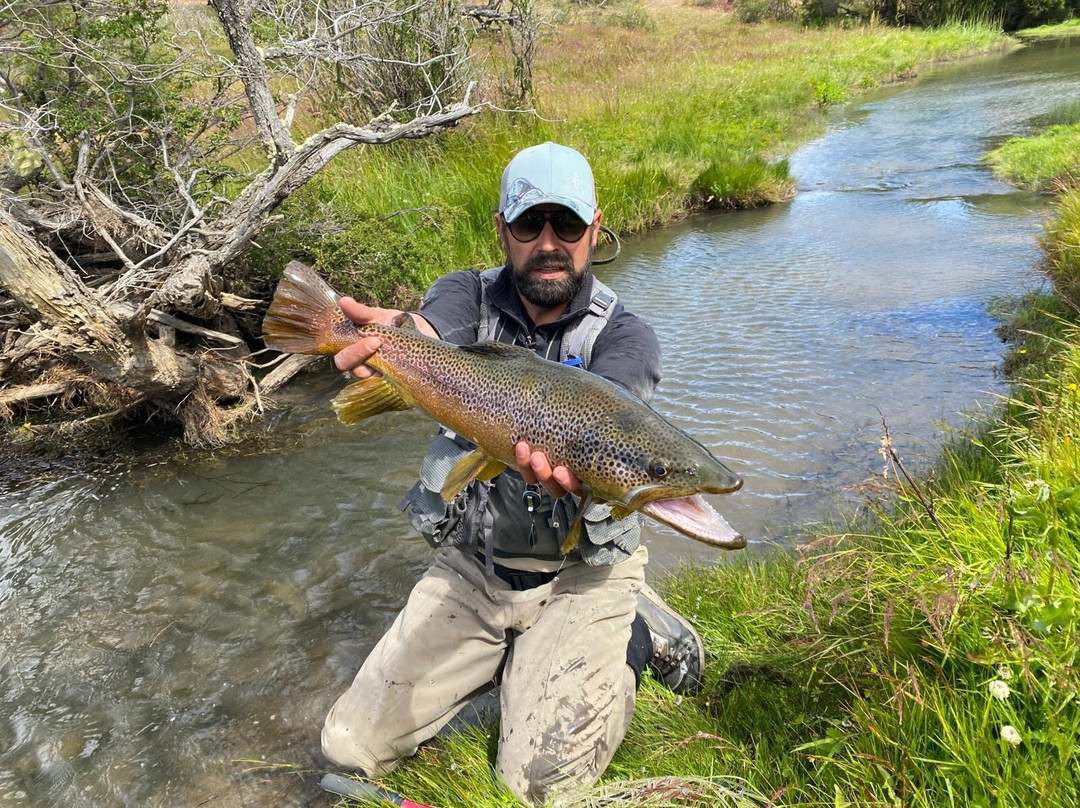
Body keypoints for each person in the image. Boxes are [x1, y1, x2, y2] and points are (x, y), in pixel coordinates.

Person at [321, 142, 705, 806]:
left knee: (533, 787)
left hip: (583, 575)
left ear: (595, 228)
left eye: (567, 225)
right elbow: (430, 327)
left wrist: (575, 452)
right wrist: (396, 343)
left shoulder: (627, 337)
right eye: (530, 225)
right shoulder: (466, 293)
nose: (549, 243)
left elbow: (615, 417)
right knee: (347, 748)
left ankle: (637, 639)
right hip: (478, 565)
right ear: (502, 228)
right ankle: (509, 657)